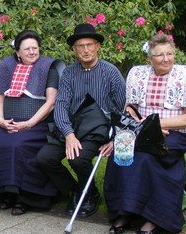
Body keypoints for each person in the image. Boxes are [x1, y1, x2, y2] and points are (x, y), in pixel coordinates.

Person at [104, 34, 186, 234]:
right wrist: (139, 125)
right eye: (159, 55)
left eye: (170, 54)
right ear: (150, 59)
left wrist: (155, 125)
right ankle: (125, 211)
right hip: (143, 130)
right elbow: (130, 107)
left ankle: (154, 218)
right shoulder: (138, 74)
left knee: (147, 157)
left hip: (175, 132)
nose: (166, 59)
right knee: (121, 154)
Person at [36, 23, 126, 218]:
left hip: (98, 129)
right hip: (71, 127)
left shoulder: (111, 73)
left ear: (97, 46)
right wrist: (68, 134)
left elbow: (122, 109)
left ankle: (91, 195)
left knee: (77, 159)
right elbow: (60, 105)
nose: (85, 50)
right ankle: (77, 190)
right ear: (74, 49)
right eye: (80, 46)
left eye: (89, 45)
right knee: (45, 158)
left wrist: (114, 139)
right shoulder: (68, 72)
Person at [0, 29, 60, 215]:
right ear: (17, 52)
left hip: (37, 124)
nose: (32, 52)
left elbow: (50, 102)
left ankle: (26, 197)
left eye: (35, 48)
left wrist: (28, 124)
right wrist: (0, 121)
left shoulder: (48, 68)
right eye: (27, 49)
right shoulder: (7, 66)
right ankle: (5, 192)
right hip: (9, 122)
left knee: (18, 145)